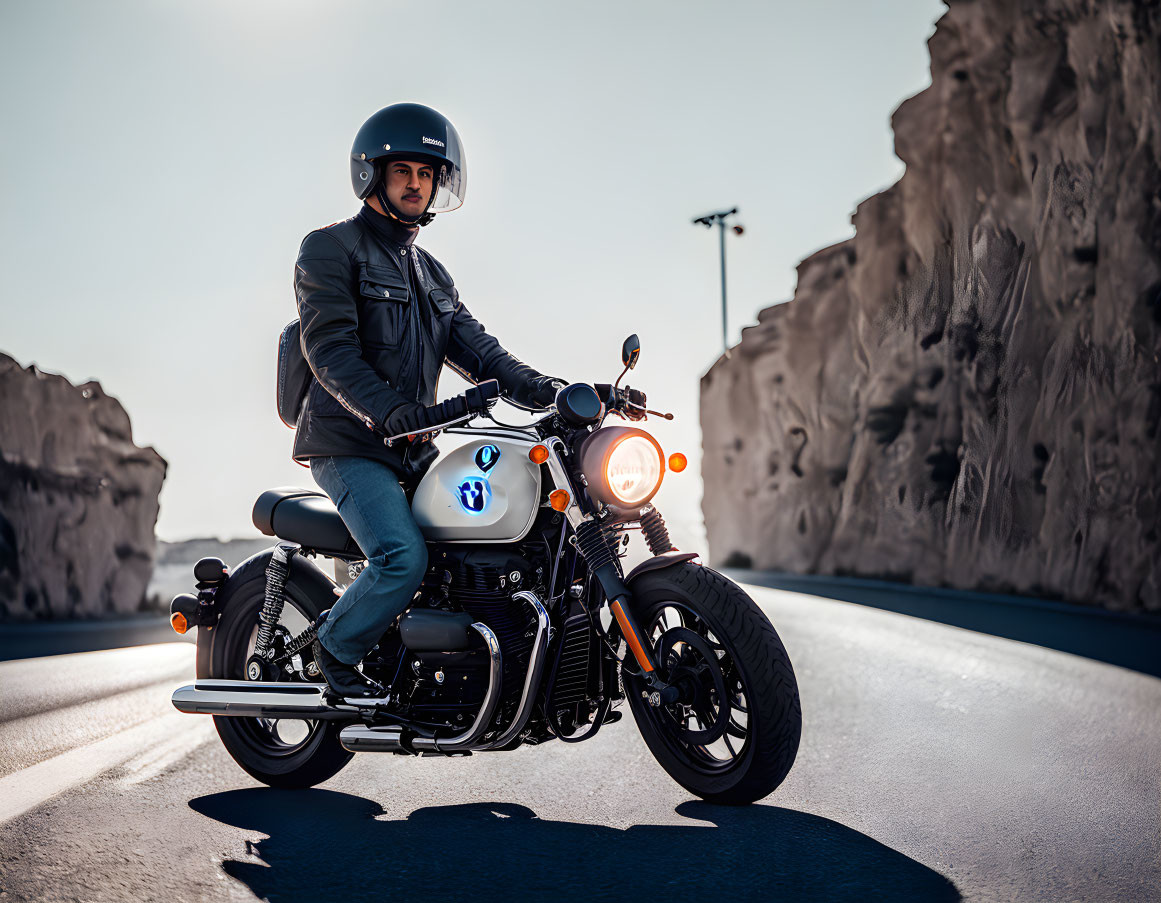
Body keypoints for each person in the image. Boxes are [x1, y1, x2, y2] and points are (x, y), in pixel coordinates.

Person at [292, 102, 565, 702]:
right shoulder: (329, 249)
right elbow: (329, 351)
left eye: (427, 173)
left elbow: (487, 357)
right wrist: (388, 411)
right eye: (403, 171)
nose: (417, 183)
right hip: (350, 444)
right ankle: (333, 650)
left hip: (416, 448)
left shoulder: (434, 275)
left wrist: (562, 393)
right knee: (401, 557)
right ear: (373, 176)